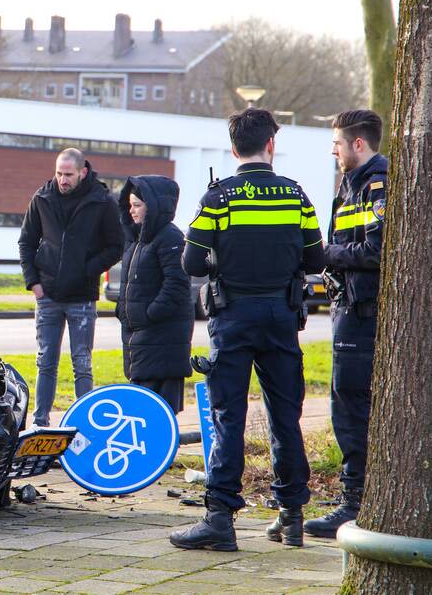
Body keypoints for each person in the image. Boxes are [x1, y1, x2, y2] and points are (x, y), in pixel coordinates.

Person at [169, 108, 325, 552]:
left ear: (234, 148)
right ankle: (291, 516)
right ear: (271, 144)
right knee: (285, 418)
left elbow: (191, 263)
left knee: (227, 418)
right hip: (281, 317)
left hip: (232, 317)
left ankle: (220, 519)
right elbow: (315, 260)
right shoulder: (295, 196)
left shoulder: (219, 197)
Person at [304, 110, 387, 538]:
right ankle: (357, 496)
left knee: (351, 405)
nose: (333, 151)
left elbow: (375, 252)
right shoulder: (350, 183)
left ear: (358, 143)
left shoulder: (378, 182)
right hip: (347, 308)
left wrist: (322, 256)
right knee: (346, 403)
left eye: (337, 143)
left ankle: (355, 502)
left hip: (364, 315)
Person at [19, 148, 124, 427]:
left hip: (82, 297)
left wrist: (87, 270)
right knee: (46, 362)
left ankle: (83, 424)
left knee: (82, 363)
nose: (62, 180)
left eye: (68, 175)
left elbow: (116, 245)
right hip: (48, 294)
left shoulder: (101, 201)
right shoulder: (42, 197)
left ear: (82, 172)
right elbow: (26, 241)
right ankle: (40, 423)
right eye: (58, 173)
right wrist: (34, 282)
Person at [116, 176, 193, 414]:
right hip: (141, 338)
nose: (132, 211)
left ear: (154, 206)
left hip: (161, 337)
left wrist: (149, 314)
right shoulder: (136, 240)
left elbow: (177, 284)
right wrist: (123, 311)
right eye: (130, 205)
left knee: (158, 411)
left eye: (137, 205)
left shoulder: (170, 237)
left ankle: (160, 451)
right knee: (141, 408)